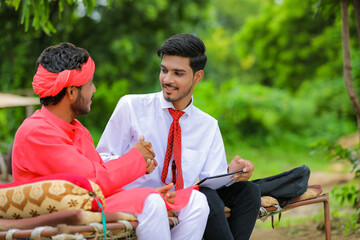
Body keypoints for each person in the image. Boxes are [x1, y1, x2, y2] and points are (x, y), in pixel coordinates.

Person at [11, 42, 209, 240]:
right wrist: (137, 159)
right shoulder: (36, 132)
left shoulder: (77, 129)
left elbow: (100, 183)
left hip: (92, 202)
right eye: (89, 84)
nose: (94, 89)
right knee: (151, 202)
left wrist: (145, 192)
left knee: (195, 201)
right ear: (71, 92)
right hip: (60, 216)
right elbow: (91, 182)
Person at [97, 33, 261, 240]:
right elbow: (101, 160)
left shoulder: (208, 125)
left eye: (178, 73)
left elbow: (211, 179)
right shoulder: (131, 107)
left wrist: (231, 172)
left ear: (197, 77)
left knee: (247, 191)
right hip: (138, 198)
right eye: (164, 70)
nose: (167, 79)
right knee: (200, 199)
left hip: (182, 199)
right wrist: (134, 159)